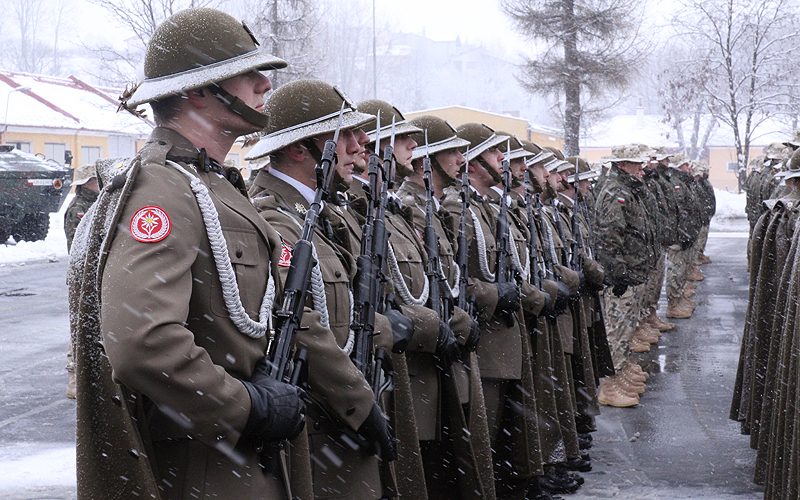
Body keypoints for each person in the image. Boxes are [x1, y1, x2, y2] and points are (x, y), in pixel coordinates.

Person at [68, 8, 305, 500]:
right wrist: (245, 407)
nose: (264, 85)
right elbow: (141, 341)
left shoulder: (208, 185)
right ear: (200, 90)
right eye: (249, 73)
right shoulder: (164, 188)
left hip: (240, 461)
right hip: (209, 467)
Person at [245, 79, 404, 500]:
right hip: (321, 426)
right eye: (345, 135)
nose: (361, 144)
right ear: (300, 149)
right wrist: (360, 405)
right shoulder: (273, 219)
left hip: (341, 419)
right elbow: (298, 325)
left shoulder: (319, 213)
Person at [593, 146, 654, 407]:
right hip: (623, 274)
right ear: (622, 165)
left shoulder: (629, 188)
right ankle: (608, 385)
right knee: (616, 329)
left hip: (632, 271)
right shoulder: (616, 191)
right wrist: (618, 273)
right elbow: (609, 236)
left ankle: (618, 373)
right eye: (636, 164)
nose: (642, 169)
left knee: (626, 325)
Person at [63, 163, 100, 399]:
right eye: (96, 180)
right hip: (83, 275)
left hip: (93, 275)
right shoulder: (79, 208)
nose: (100, 184)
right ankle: (74, 379)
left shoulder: (95, 205)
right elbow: (82, 245)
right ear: (87, 183)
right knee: (80, 328)